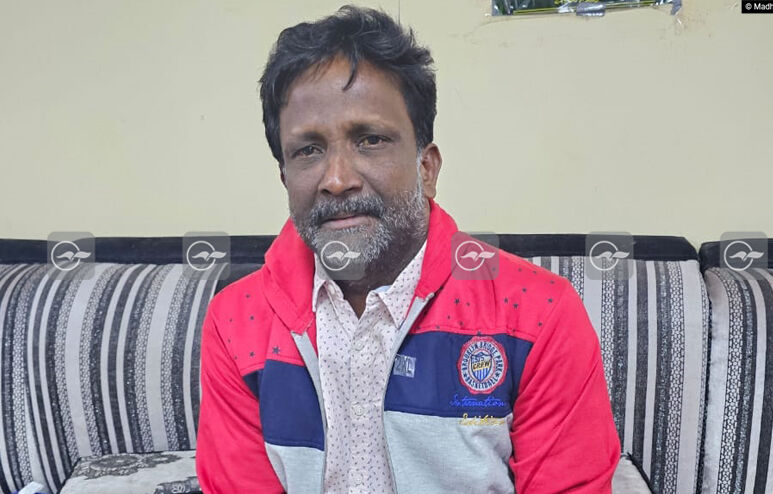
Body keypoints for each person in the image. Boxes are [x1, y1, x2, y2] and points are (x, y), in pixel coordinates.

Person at [195, 5, 619, 493]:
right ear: (285, 177)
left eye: (370, 140)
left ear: (427, 168)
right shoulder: (236, 322)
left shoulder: (539, 315)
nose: (337, 179)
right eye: (308, 150)